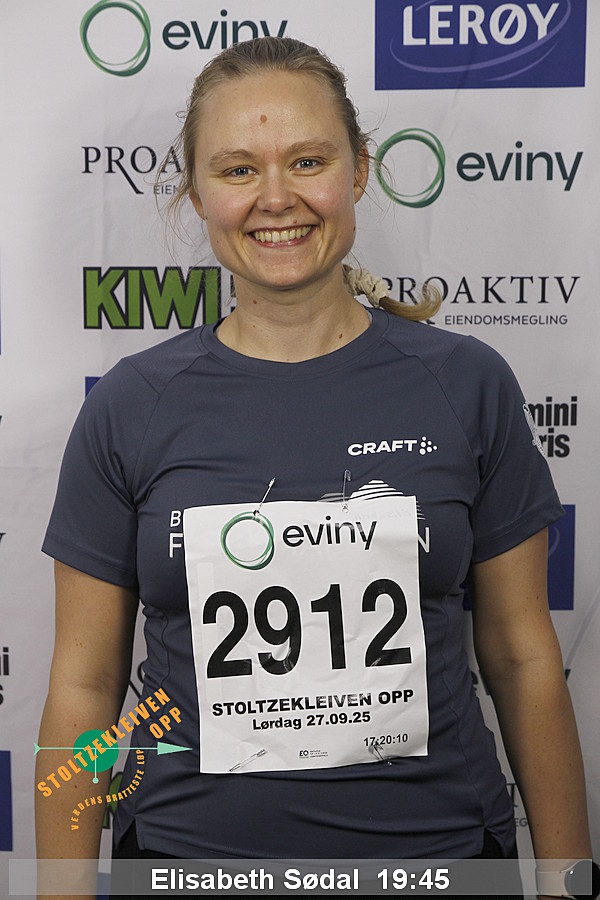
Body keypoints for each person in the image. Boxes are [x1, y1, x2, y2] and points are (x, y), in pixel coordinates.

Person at [37, 36, 594, 898]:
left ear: (360, 169)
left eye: (307, 160)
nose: (276, 198)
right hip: (187, 871)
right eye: (237, 169)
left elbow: (524, 659)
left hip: (437, 866)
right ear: (197, 193)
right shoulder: (130, 406)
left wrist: (568, 882)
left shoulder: (466, 384)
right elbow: (84, 685)